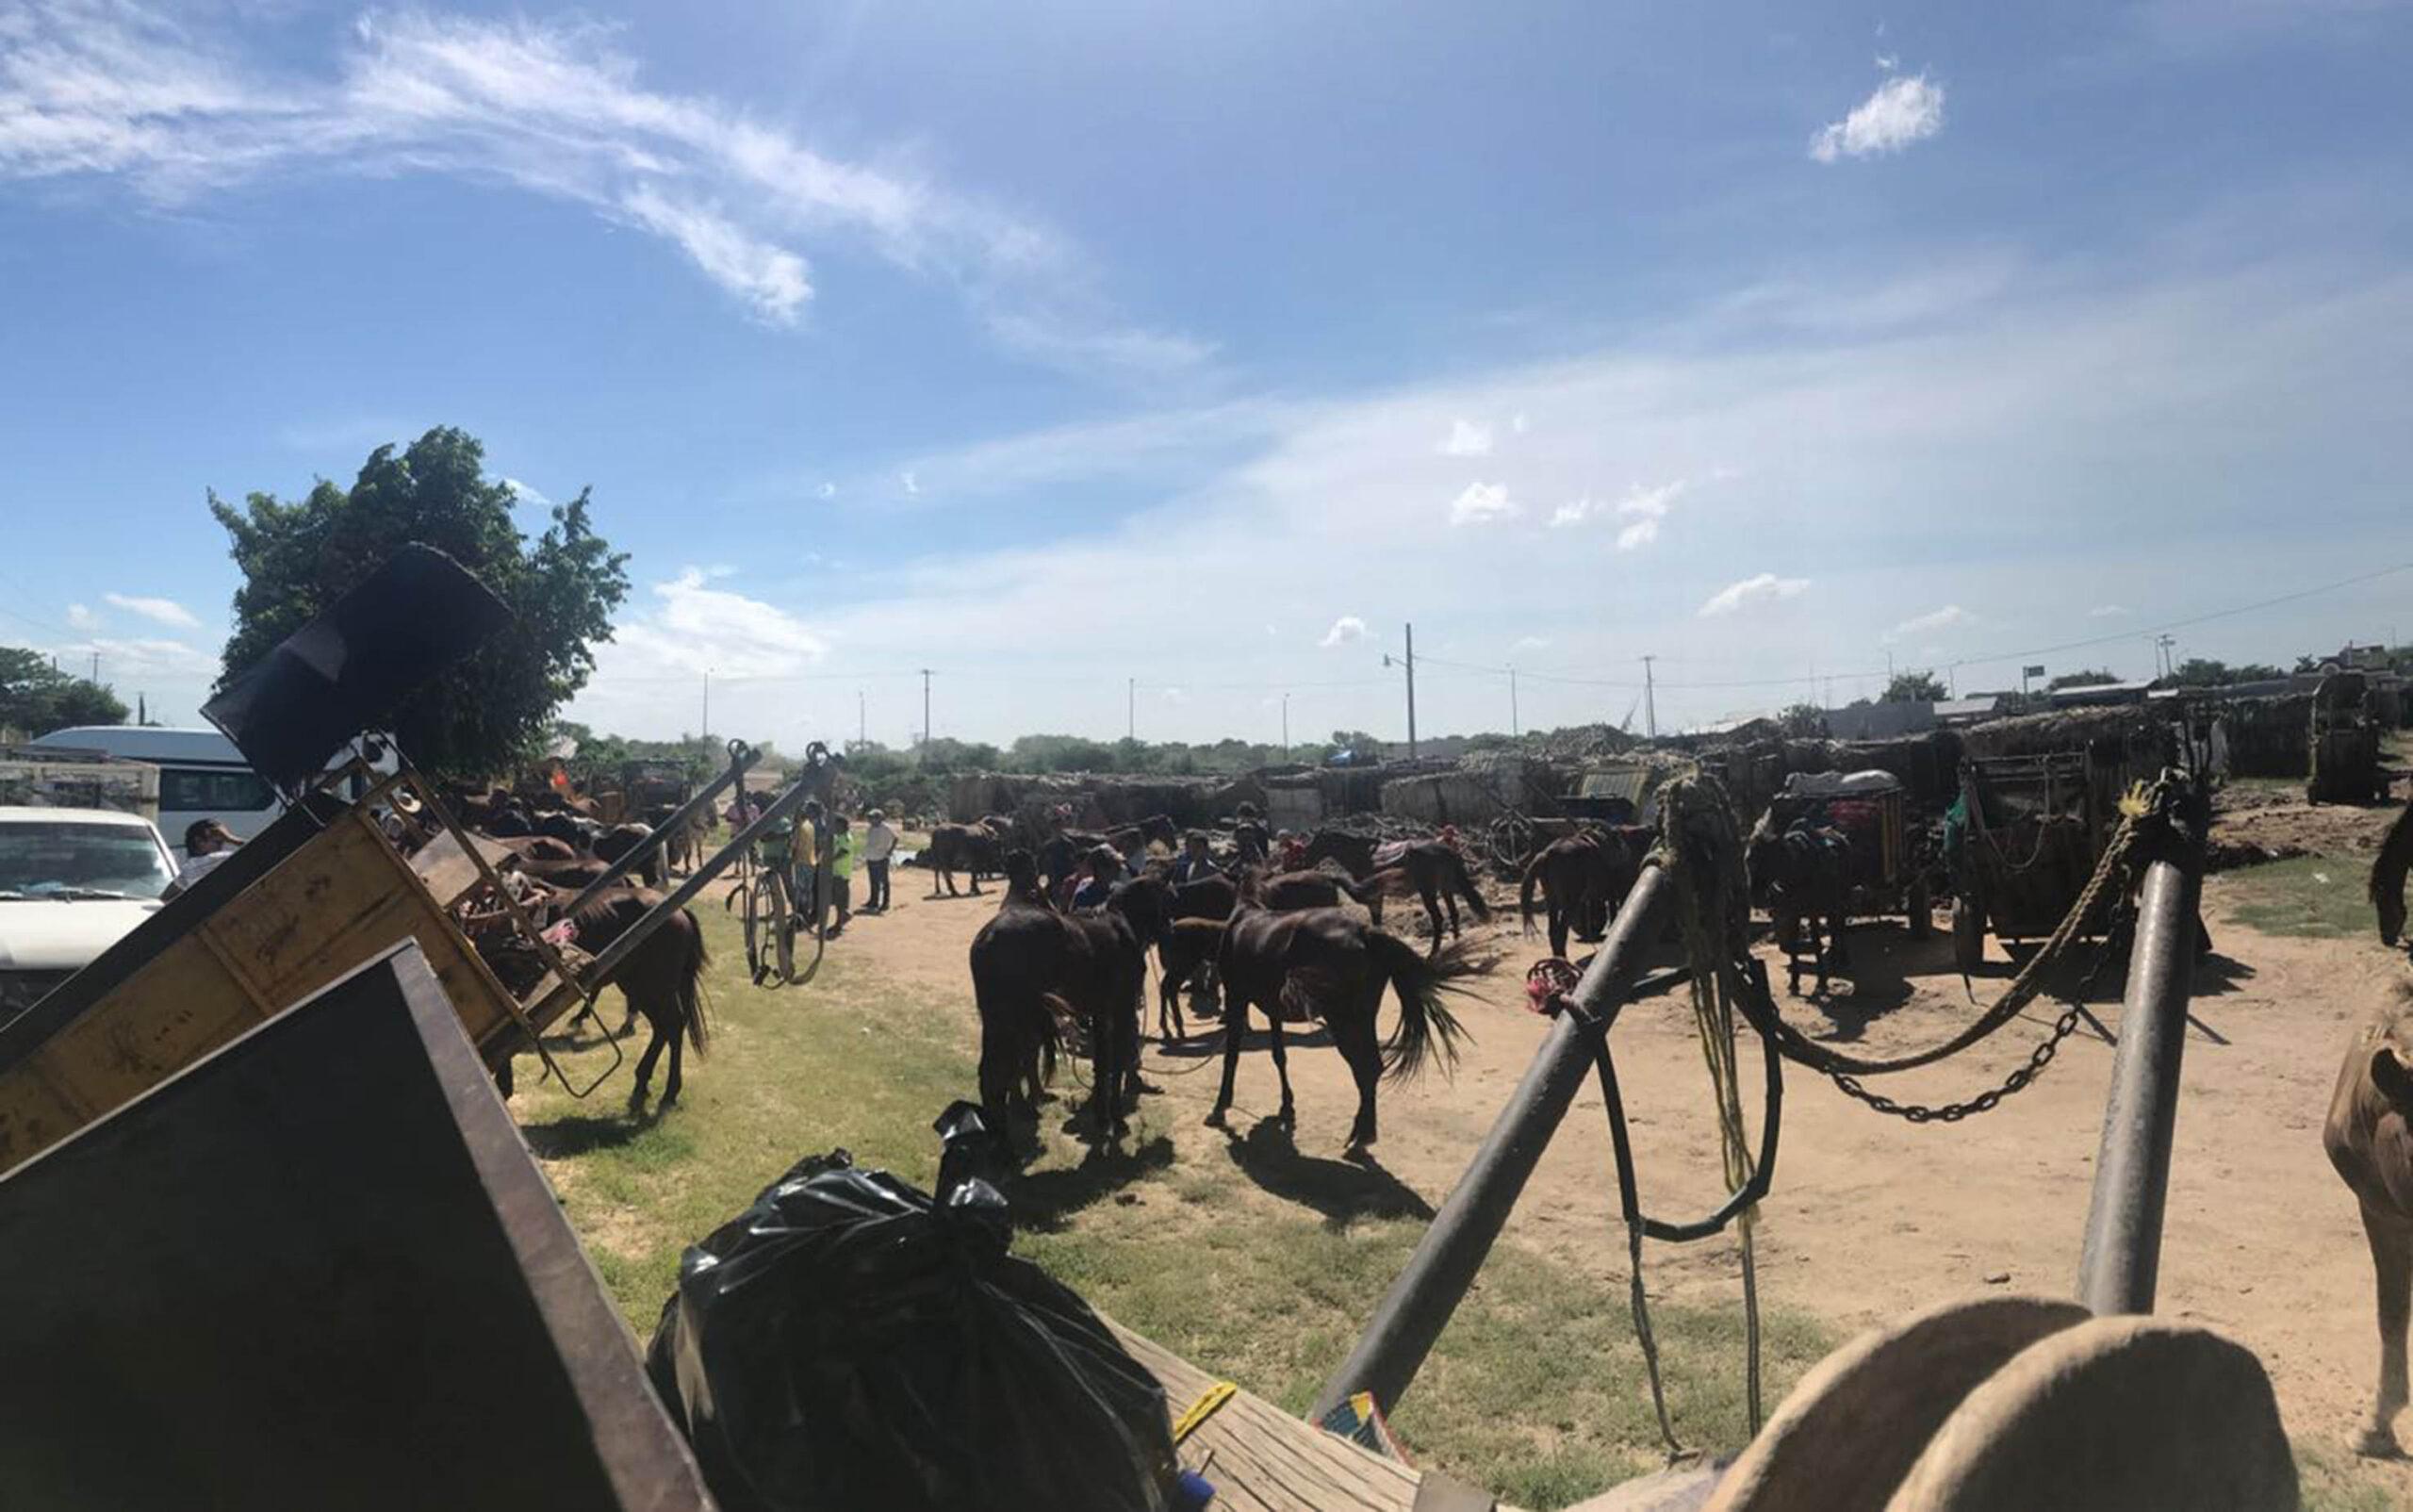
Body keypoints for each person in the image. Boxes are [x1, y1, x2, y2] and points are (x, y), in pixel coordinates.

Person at [173, 819, 240, 890]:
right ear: (199, 841)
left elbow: (167, 896)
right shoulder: (217, 859)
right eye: (218, 841)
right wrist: (231, 838)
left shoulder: (187, 870)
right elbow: (251, 852)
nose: (222, 844)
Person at [861, 808, 898, 912]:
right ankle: (873, 901)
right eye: (871, 818)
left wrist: (890, 851)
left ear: (880, 818)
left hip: (882, 857)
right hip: (871, 857)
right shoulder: (870, 829)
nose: (871, 820)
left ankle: (885, 902)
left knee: (884, 881)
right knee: (873, 880)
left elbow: (896, 838)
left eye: (874, 818)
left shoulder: (886, 828)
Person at [826, 814, 858, 937]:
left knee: (840, 901)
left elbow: (843, 852)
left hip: (841, 873)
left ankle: (839, 923)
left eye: (836, 825)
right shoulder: (838, 837)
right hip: (836, 872)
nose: (834, 827)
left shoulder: (845, 838)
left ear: (842, 826)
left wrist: (830, 860)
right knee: (837, 900)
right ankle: (843, 916)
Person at [1070, 846, 1123, 910]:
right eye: (1111, 866)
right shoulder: (1084, 896)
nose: (1117, 870)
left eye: (1117, 866)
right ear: (1097, 869)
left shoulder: (1120, 891)